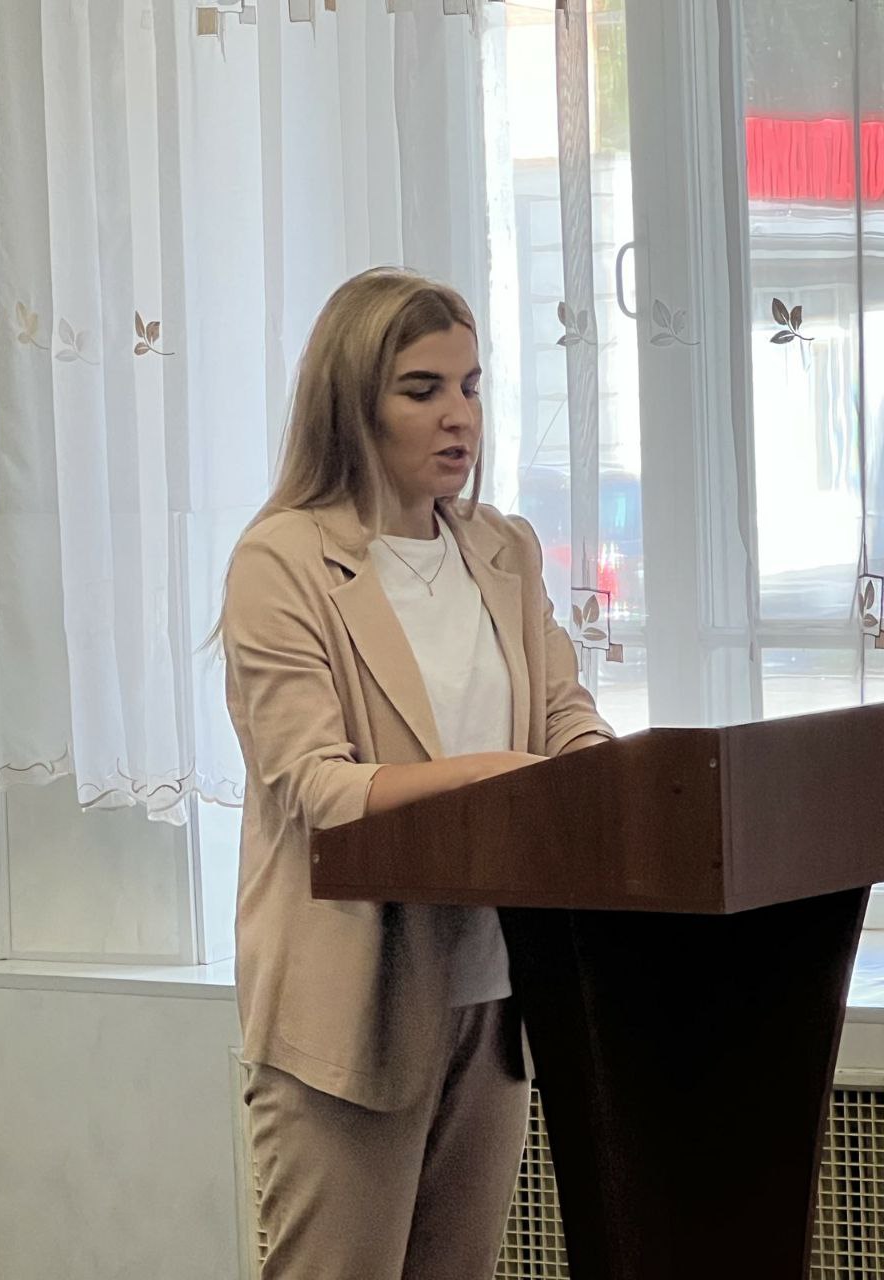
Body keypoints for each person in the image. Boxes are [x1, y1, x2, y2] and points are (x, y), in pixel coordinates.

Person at [217, 267, 613, 1279]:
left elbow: (564, 719)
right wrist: (507, 777)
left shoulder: (504, 549)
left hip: (496, 991)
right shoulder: (283, 560)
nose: (458, 416)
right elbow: (321, 789)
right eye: (422, 389)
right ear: (353, 404)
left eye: (471, 386)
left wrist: (619, 784)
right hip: (351, 1003)